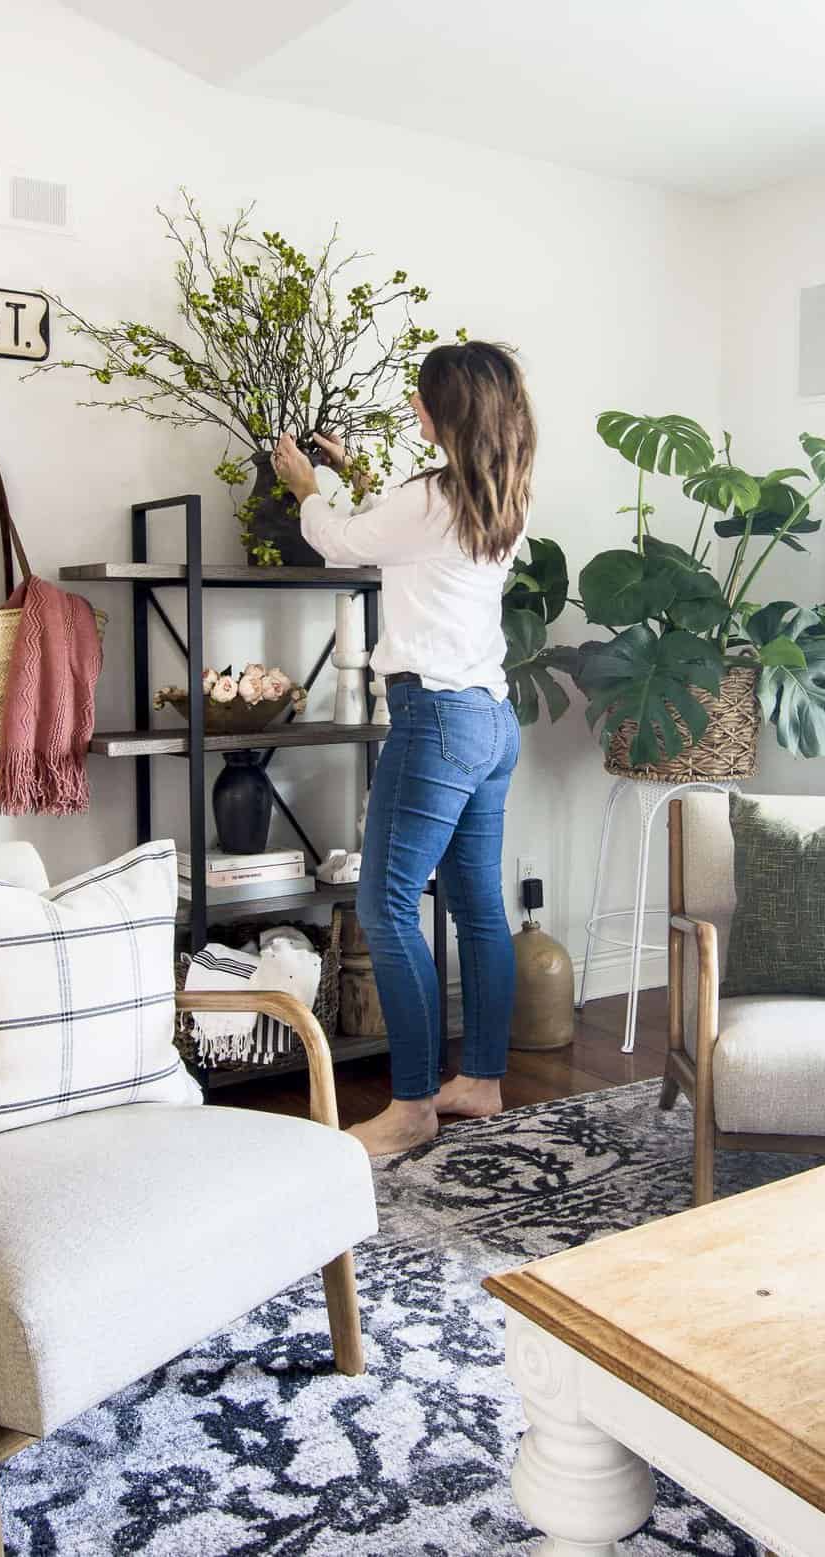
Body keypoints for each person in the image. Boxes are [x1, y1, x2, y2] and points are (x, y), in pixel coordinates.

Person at [271, 340, 535, 1155]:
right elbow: (406, 531)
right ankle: (482, 1080)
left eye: (421, 403)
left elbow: (345, 543)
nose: (413, 412)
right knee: (478, 905)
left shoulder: (429, 500)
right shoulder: (504, 495)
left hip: (437, 721)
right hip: (491, 717)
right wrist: (355, 476)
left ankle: (413, 1102)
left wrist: (308, 489)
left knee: (385, 905)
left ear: (441, 412)